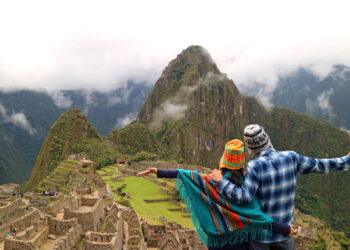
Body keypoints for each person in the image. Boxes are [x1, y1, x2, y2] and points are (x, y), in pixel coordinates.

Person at [210, 124, 350, 249]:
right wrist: (346, 160)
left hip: (261, 237)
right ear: (268, 140)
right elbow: (320, 165)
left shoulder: (255, 166)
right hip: (285, 233)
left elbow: (244, 197)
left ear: (250, 148)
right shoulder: (291, 157)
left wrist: (221, 181)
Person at [138, 139, 292, 250]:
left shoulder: (210, 182)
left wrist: (158, 171)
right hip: (239, 242)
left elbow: (186, 174)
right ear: (242, 166)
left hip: (217, 242)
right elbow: (260, 218)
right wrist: (286, 229)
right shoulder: (247, 188)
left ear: (223, 162)